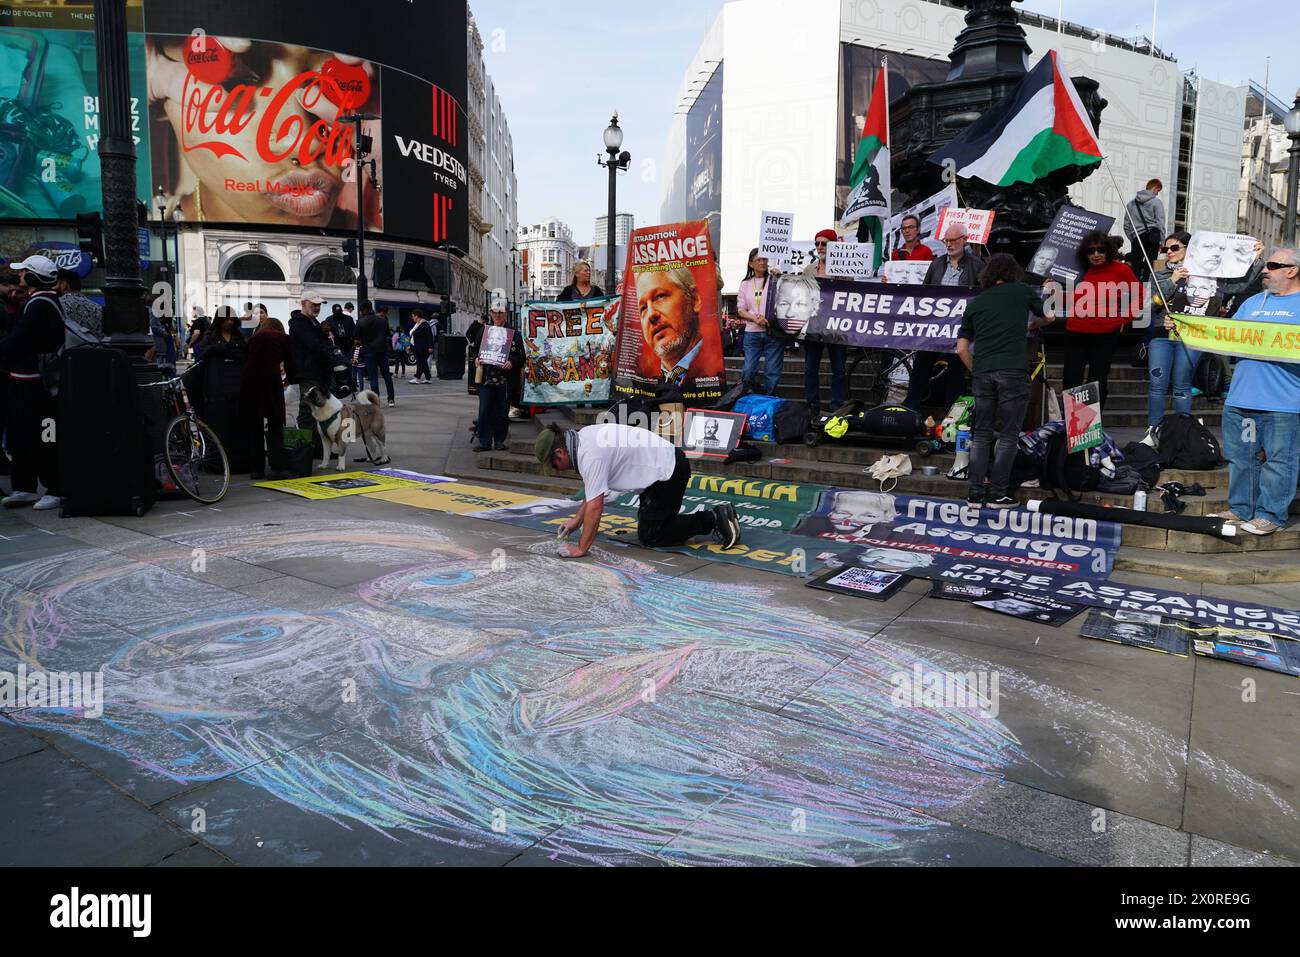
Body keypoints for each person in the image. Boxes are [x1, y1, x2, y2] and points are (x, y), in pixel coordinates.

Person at [534, 421, 741, 556]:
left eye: (553, 465)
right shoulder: (583, 437)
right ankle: (713, 517)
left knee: (651, 536)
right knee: (650, 526)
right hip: (659, 471)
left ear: (560, 452)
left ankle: (715, 518)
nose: (557, 471)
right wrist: (576, 521)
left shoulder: (589, 455)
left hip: (668, 471)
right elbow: (593, 491)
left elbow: (596, 506)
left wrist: (581, 548)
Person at [1209, 247, 1300, 536]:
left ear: (1292, 270)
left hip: (1284, 402)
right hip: (1241, 399)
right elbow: (1224, 336)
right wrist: (1184, 328)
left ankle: (1271, 514)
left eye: (1272, 265)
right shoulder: (1251, 303)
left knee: (1279, 461)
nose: (1264, 270)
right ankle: (1240, 508)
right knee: (1240, 457)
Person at [955, 254, 1056, 507]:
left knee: (981, 434)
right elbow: (1050, 316)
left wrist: (976, 370)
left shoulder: (976, 303)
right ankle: (998, 493)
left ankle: (975, 493)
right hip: (1013, 370)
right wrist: (1034, 324)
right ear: (1013, 272)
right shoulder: (1021, 291)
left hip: (983, 372)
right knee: (1009, 435)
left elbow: (961, 349)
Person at [1054, 229, 1143, 411]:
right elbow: (1069, 300)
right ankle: (1072, 427)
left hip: (1104, 335)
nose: (1096, 254)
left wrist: (1123, 319)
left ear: (1108, 250)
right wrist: (1053, 290)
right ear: (1084, 254)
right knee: (1071, 379)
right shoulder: (1079, 271)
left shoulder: (1121, 270)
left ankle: (1091, 427)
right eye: (1091, 250)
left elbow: (1140, 295)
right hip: (1075, 333)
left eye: (1100, 249)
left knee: (1097, 380)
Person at [0, 255, 64, 510]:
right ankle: (24, 486)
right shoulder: (38, 302)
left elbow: (19, 339)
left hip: (36, 383)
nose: (21, 275)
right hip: (24, 379)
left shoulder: (41, 304)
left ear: (35, 277)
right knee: (20, 435)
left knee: (42, 436)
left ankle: (54, 487)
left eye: (25, 271)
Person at [903, 224, 986, 410]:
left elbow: (983, 296)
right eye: (946, 240)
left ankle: (952, 417)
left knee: (956, 370)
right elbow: (925, 293)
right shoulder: (937, 264)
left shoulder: (977, 265)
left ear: (964, 240)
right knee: (921, 365)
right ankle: (910, 409)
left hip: (960, 329)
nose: (948, 244)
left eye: (953, 240)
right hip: (935, 328)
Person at [1145, 231, 1200, 425]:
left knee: (1182, 385)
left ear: (1189, 249)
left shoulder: (1201, 275)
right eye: (1165, 248)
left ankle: (1182, 432)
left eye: (1175, 247)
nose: (1169, 251)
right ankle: (1153, 429)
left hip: (1190, 336)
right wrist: (1172, 281)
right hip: (1161, 335)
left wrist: (1255, 258)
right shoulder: (1159, 275)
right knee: (1156, 385)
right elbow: (1149, 305)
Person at [193, 305, 249, 473]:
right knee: (220, 425)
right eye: (226, 320)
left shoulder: (238, 336)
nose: (230, 323)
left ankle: (238, 462)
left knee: (236, 425)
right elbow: (201, 356)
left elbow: (243, 355)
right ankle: (218, 462)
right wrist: (219, 348)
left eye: (232, 320)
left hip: (236, 385)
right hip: (217, 386)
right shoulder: (210, 337)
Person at [635, 267, 713, 384]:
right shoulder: (643, 380)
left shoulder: (712, 369)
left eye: (660, 296)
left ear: (694, 299)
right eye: (643, 308)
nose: (651, 314)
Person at [241, 312, 296, 480]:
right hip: (271, 383)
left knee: (254, 427)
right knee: (275, 425)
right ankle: (277, 467)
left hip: (249, 384)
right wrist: (291, 379)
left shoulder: (253, 338)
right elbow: (291, 363)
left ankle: (256, 469)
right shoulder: (283, 338)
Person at [802, 228, 848, 416]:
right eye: (817, 243)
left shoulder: (843, 267)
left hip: (836, 326)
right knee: (810, 368)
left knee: (839, 368)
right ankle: (812, 404)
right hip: (814, 325)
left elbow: (850, 291)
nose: (820, 247)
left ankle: (837, 404)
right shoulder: (809, 269)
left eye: (825, 243)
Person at [288, 294, 339, 450]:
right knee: (307, 412)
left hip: (318, 372)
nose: (317, 307)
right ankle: (303, 450)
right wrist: (331, 351)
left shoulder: (313, 321)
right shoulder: (298, 323)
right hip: (307, 373)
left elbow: (320, 344)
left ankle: (316, 448)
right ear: (303, 303)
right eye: (314, 304)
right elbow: (313, 345)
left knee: (319, 411)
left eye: (319, 305)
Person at [472, 299, 524, 452]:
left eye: (501, 313)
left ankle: (500, 440)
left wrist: (512, 362)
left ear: (506, 314)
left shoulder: (514, 334)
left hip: (504, 379)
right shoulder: (483, 331)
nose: (498, 316)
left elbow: (521, 357)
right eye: (495, 312)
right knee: (484, 410)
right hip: (486, 378)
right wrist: (476, 358)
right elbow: (475, 349)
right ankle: (484, 441)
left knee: (502, 411)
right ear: (491, 314)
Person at [736, 247, 783, 394]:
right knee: (749, 369)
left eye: (764, 259)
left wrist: (781, 278)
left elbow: (786, 298)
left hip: (773, 332)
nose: (762, 262)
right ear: (751, 264)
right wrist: (755, 318)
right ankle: (747, 398)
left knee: (772, 372)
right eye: (758, 260)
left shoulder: (775, 279)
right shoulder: (745, 284)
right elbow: (741, 310)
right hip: (752, 333)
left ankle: (768, 402)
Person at [1123, 178, 1166, 281]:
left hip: (1137, 237)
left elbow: (1126, 225)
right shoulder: (1157, 202)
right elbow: (1160, 223)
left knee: (1136, 266)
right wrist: (1162, 240)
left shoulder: (1131, 204)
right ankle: (1145, 292)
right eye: (1158, 191)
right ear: (1155, 187)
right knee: (1150, 266)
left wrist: (1133, 238)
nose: (1157, 194)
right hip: (1152, 237)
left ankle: (1134, 293)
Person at [357, 303, 396, 407]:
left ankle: (376, 399)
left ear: (363, 310)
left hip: (369, 351)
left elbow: (356, 337)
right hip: (382, 350)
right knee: (386, 375)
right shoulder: (383, 320)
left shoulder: (361, 322)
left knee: (373, 376)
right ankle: (391, 398)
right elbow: (387, 334)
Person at [56, 270, 102, 339]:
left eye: (56, 284)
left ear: (64, 284)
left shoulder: (59, 304)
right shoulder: (97, 307)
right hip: (96, 348)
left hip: (70, 349)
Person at [409, 309, 434, 384]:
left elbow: (430, 336)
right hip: (416, 347)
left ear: (417, 316)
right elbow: (412, 333)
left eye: (413, 316)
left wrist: (430, 346)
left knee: (421, 362)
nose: (412, 318)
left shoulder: (425, 324)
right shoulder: (417, 324)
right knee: (423, 363)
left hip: (423, 347)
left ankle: (417, 378)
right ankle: (428, 378)